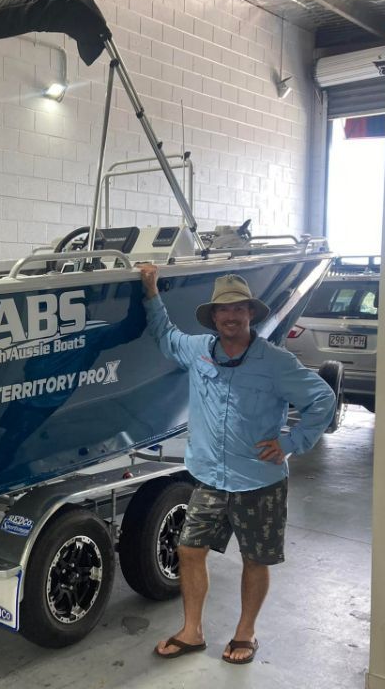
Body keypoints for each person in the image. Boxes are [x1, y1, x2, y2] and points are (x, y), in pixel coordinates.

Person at [138, 265, 336, 665]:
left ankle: (245, 632)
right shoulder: (197, 350)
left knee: (255, 559)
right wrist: (150, 292)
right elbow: (166, 337)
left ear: (251, 314)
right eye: (223, 310)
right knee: (190, 550)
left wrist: (291, 442)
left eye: (239, 309)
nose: (231, 316)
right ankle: (192, 631)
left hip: (259, 481)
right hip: (209, 477)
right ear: (214, 317)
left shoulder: (276, 362)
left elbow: (323, 400)